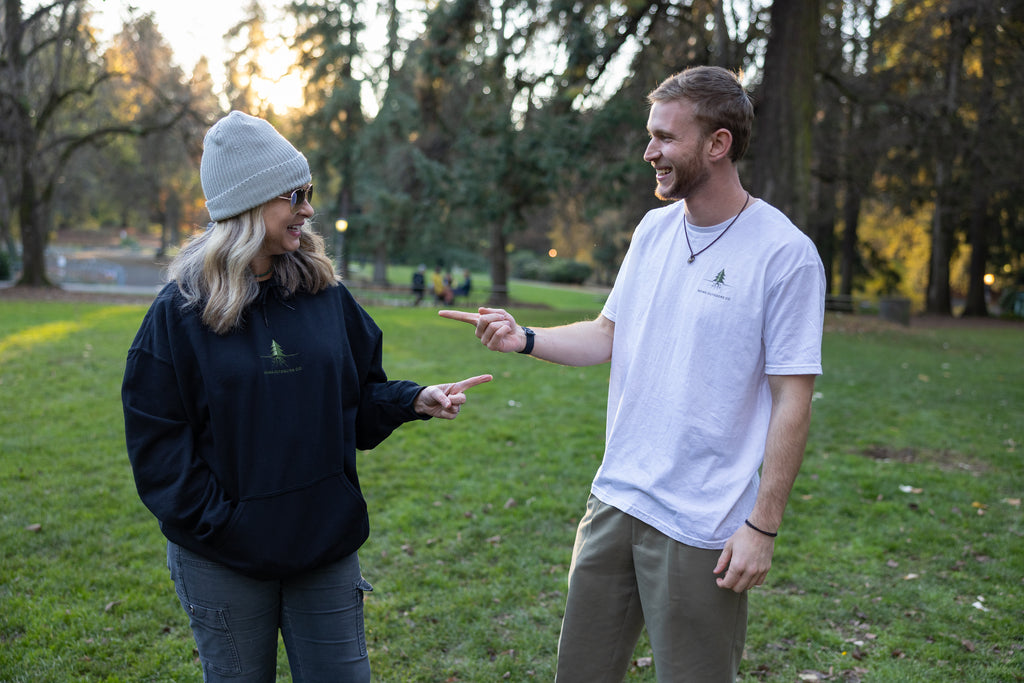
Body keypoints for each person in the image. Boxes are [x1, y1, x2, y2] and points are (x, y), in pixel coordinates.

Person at [440, 66, 824, 682]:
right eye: (651, 137)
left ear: (718, 144)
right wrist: (525, 338)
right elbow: (609, 334)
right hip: (615, 498)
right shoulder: (653, 230)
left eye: (666, 138)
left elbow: (792, 400)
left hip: (702, 524)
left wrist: (763, 527)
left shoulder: (784, 254)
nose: (650, 152)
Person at [121, 111, 491, 683]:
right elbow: (158, 446)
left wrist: (414, 400)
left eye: (308, 192)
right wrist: (227, 525)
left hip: (324, 547)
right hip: (223, 558)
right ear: (248, 204)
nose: (309, 208)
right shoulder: (179, 314)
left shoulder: (324, 295)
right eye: (295, 194)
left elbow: (357, 399)